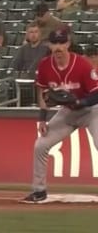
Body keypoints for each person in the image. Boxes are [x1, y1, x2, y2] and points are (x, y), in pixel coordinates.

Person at [22, 28, 98, 203]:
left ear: (68, 44)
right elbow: (42, 92)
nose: (58, 47)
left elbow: (96, 94)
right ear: (49, 44)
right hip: (68, 112)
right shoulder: (45, 65)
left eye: (61, 43)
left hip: (92, 110)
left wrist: (81, 102)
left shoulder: (82, 64)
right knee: (41, 145)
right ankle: (39, 191)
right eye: (54, 43)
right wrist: (42, 118)